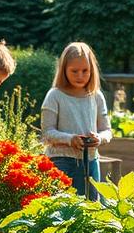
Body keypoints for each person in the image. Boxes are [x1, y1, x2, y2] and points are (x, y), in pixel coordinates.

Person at [41, 42, 113, 199]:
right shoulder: (55, 96)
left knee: (92, 208)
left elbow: (107, 130)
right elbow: (47, 133)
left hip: (91, 161)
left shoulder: (96, 96)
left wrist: (98, 138)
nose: (80, 75)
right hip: (61, 161)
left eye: (85, 71)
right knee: (61, 209)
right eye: (74, 71)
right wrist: (70, 139)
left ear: (92, 70)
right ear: (64, 70)